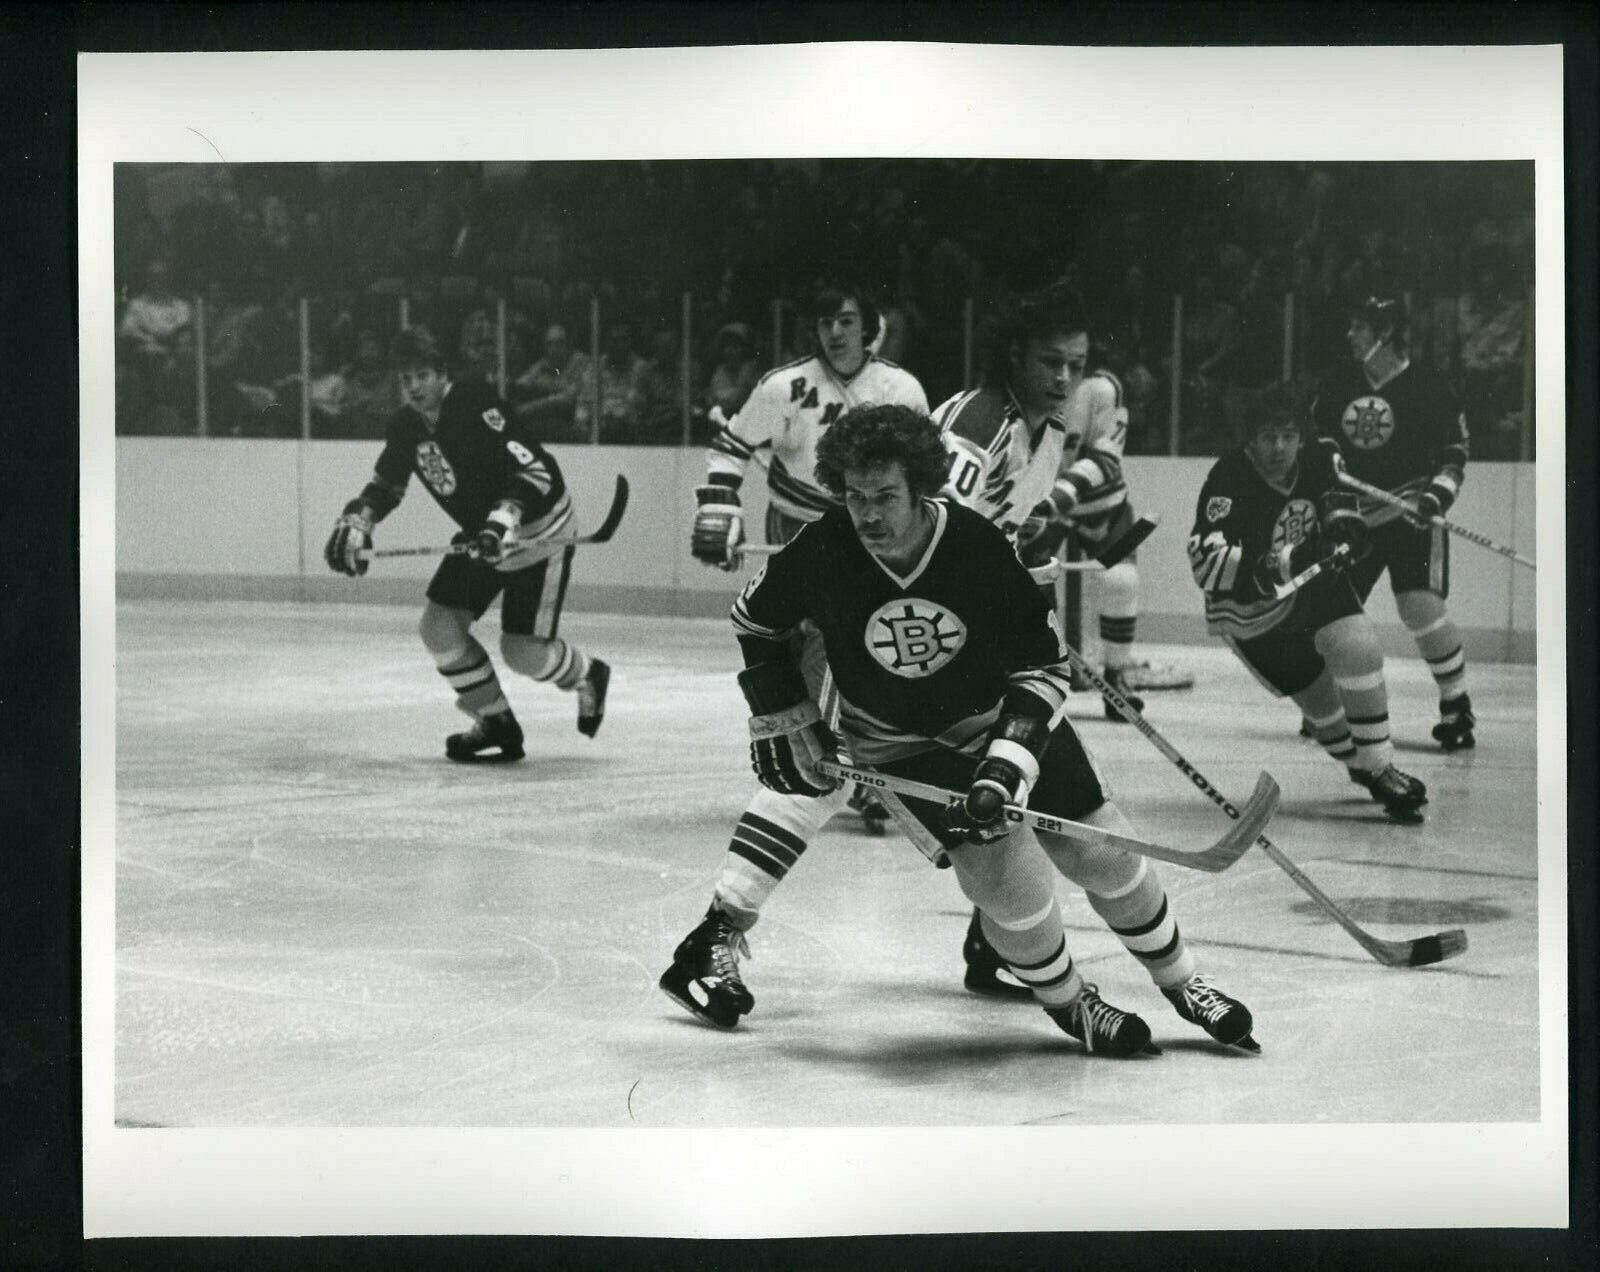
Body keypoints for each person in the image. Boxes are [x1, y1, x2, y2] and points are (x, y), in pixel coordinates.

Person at [663, 403, 1257, 1056]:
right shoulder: (825, 546)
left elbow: (1041, 665)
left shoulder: (974, 543)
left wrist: (1006, 764)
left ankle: (1184, 982)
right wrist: (784, 709)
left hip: (997, 717)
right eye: (856, 497)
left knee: (1105, 850)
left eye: (885, 496)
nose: (868, 514)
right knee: (1009, 882)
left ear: (922, 487)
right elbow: (755, 620)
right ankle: (1069, 1002)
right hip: (902, 743)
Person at [323, 326, 610, 760]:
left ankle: (587, 675)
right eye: (406, 379)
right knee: (438, 627)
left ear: (442, 373)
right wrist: (360, 519)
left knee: (523, 652)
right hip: (484, 536)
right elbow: (385, 486)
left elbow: (535, 472)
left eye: (422, 375)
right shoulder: (406, 426)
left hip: (538, 531)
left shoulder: (475, 401)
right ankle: (495, 719)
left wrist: (504, 519)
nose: (414, 386)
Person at [1188, 384, 1428, 821]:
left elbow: (1338, 504)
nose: (1279, 447)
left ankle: (1381, 768)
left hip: (1312, 586)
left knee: (1358, 645)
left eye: (1287, 435)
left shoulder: (1319, 456)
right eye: (1268, 437)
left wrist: (1346, 531)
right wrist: (1288, 559)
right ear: (1251, 441)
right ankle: (1363, 767)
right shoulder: (1227, 478)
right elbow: (1207, 564)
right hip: (1252, 613)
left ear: (1301, 435)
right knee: (1328, 720)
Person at [942, 286, 1152, 725]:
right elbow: (934, 523)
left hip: (960, 598)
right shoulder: (982, 424)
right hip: (920, 601)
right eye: (1050, 362)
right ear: (1015, 355)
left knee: (1036, 713)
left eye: (1075, 366)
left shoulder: (1051, 431)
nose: (1064, 378)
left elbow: (1009, 527)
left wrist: (1024, 544)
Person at [1311, 296, 1476, 750]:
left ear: (1384, 333)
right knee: (1335, 611)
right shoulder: (1340, 382)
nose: (1350, 335)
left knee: (1418, 604)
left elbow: (1454, 453)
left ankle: (1456, 704)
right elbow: (1318, 436)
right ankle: (1332, 706)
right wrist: (1325, 457)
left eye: (1359, 327)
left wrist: (1436, 495)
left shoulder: (1429, 385)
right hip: (1353, 517)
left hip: (1411, 515)